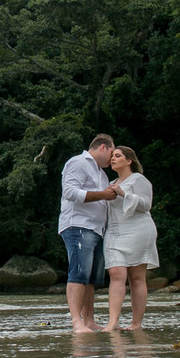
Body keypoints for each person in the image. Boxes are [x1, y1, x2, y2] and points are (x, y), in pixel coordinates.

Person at [58, 134, 117, 332]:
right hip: (78, 225)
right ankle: (77, 322)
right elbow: (70, 192)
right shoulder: (78, 162)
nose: (112, 157)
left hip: (97, 229)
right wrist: (103, 194)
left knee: (92, 278)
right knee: (79, 273)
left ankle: (89, 320)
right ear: (102, 147)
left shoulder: (102, 174)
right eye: (111, 152)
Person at [102, 146, 157, 331]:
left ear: (129, 160)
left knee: (136, 278)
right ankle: (113, 322)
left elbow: (146, 205)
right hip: (115, 232)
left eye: (118, 156)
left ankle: (136, 324)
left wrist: (123, 193)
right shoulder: (110, 182)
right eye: (112, 156)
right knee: (116, 273)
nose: (113, 159)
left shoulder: (138, 179)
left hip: (138, 230)